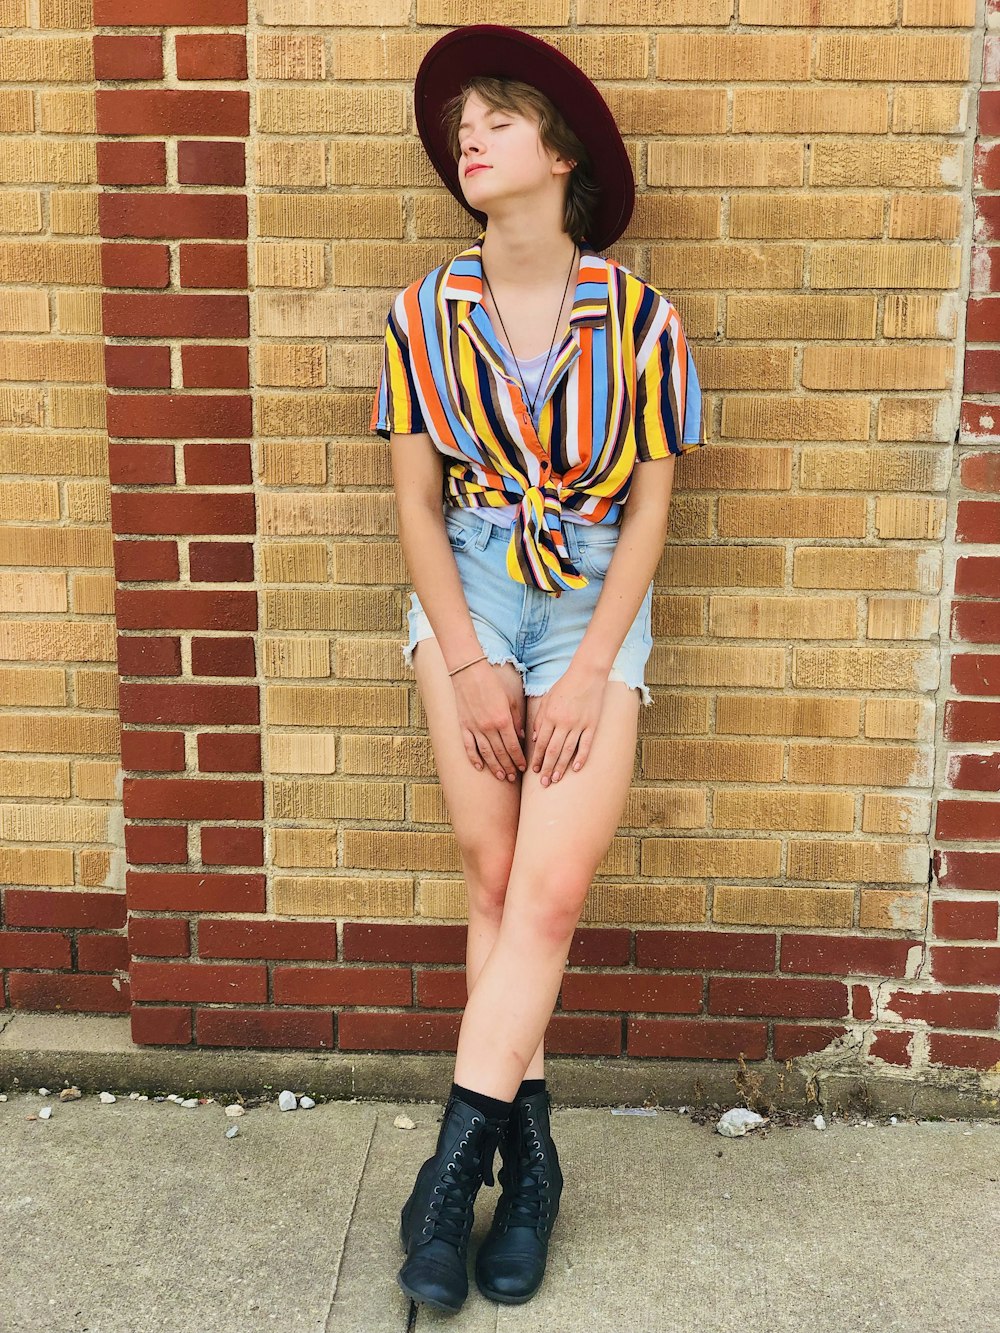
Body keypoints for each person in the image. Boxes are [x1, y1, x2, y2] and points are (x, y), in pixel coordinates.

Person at [370, 24, 707, 1315]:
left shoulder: (642, 320)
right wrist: (464, 660)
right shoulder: (420, 312)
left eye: (500, 117)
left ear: (562, 156)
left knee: (549, 897)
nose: (471, 133)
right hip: (468, 589)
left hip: (590, 603)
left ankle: (450, 1177)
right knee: (494, 873)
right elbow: (413, 503)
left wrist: (584, 674)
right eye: (465, 120)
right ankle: (536, 1158)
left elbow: (654, 512)